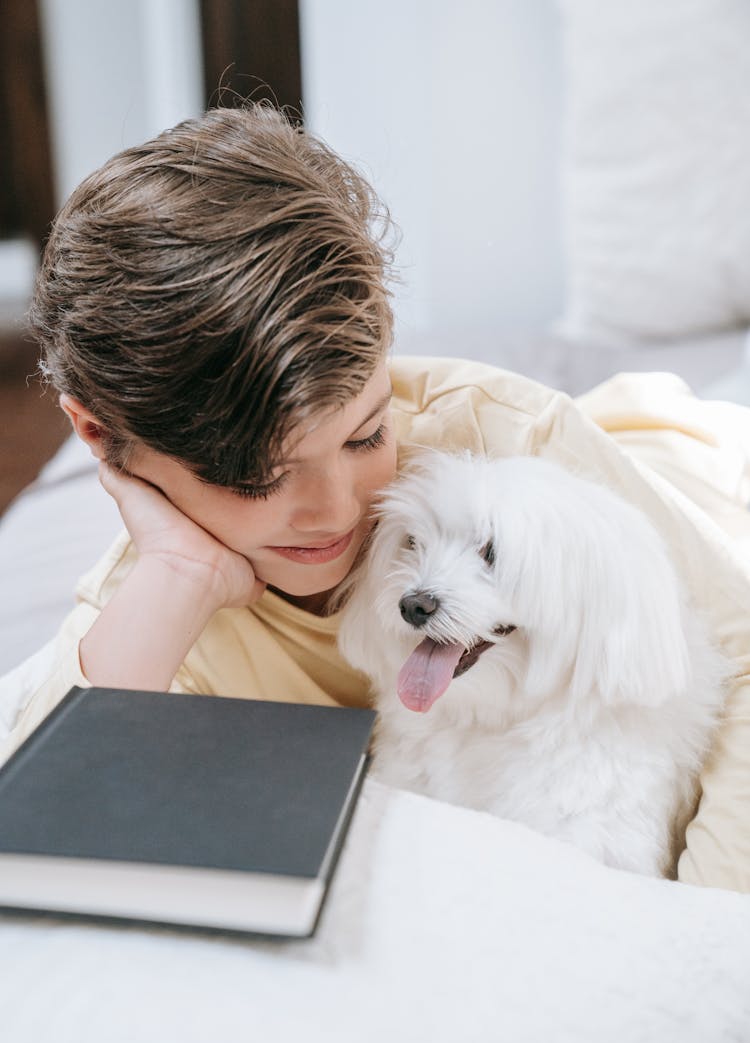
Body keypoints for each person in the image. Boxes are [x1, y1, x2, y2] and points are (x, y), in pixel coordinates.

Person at [3, 103, 750, 893]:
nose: (336, 512)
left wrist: (707, 938)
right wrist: (180, 575)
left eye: (366, 436)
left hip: (702, 483)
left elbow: (740, 650)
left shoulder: (506, 435)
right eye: (257, 477)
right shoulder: (157, 607)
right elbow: (39, 826)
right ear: (98, 433)